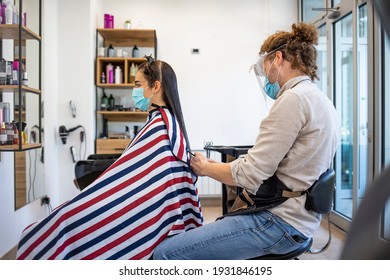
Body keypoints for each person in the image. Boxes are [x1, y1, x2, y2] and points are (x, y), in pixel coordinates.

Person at [153, 22, 340, 260]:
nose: (265, 78)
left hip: (280, 223)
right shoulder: (318, 98)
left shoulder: (293, 100)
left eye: (264, 69)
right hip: (302, 220)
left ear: (278, 58)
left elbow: (250, 175)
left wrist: (205, 168)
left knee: (166, 254)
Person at [16, 58, 203, 260]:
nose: (135, 92)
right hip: (141, 202)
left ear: (155, 86)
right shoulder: (166, 122)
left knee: (62, 221)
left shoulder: (160, 126)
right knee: (65, 215)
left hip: (139, 207)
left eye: (138, 85)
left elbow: (136, 178)